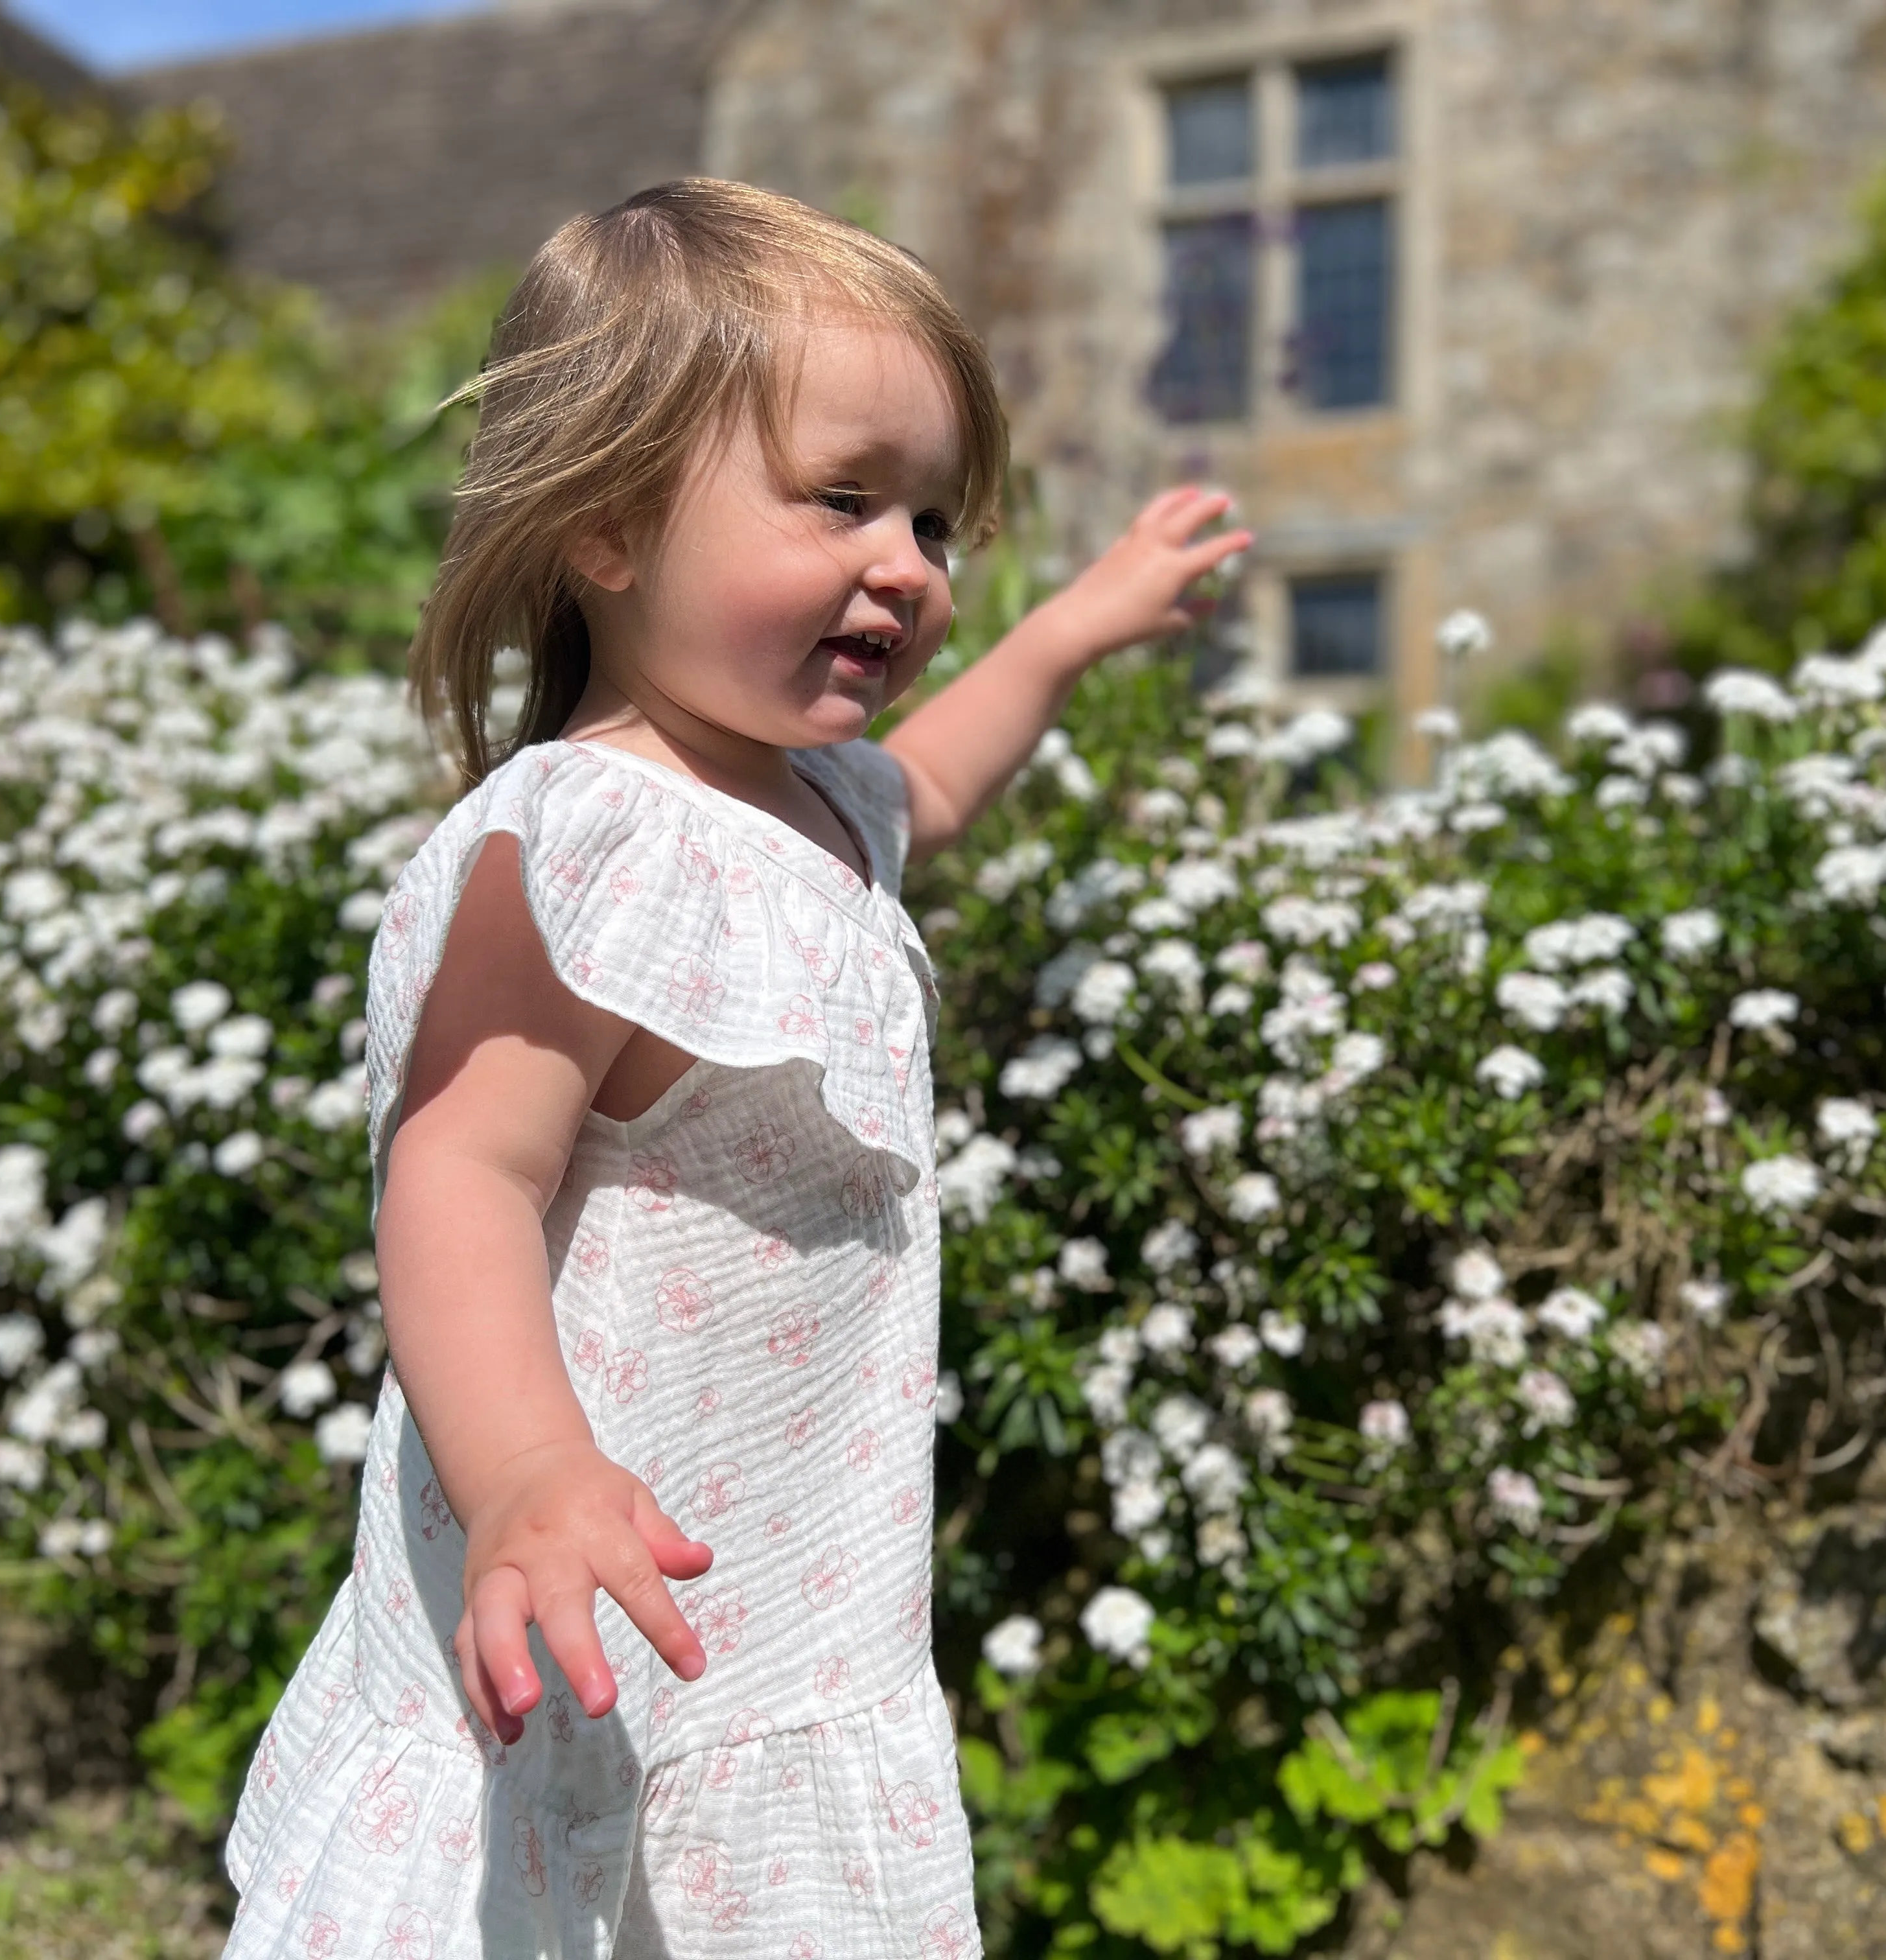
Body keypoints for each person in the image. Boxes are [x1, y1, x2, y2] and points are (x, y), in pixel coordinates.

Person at [216, 178, 1249, 1959]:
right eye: (842, 499)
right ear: (608, 527)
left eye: (932, 516)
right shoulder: (589, 842)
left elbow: (928, 786)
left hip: (782, 1577)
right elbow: (461, 1176)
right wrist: (529, 1469)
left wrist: (1069, 634)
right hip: (583, 1556)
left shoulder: (813, 798)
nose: (907, 563)